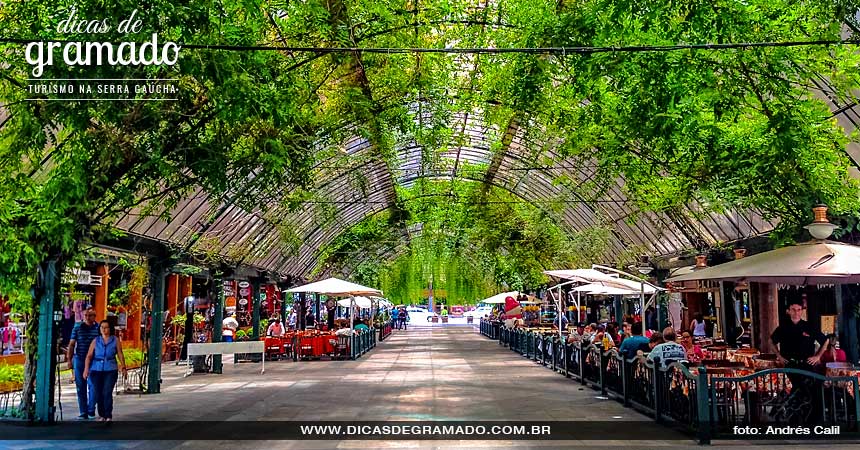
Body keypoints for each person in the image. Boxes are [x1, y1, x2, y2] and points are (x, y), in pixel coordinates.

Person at [83, 320, 126, 422]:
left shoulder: (115, 340)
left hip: (110, 368)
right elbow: (89, 356)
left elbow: (120, 353)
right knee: (98, 392)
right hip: (96, 369)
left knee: (107, 391)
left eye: (106, 327)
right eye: (102, 327)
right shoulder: (96, 341)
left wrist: (123, 366)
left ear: (110, 328)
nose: (104, 329)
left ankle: (108, 415)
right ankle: (101, 414)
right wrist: (86, 369)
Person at [67, 307, 99, 420]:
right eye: (85, 315)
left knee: (93, 385)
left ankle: (91, 409)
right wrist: (69, 360)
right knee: (80, 386)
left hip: (94, 360)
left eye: (90, 315)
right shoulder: (77, 327)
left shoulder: (98, 327)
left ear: (94, 316)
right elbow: (71, 344)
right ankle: (83, 411)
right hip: (80, 359)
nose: (87, 317)